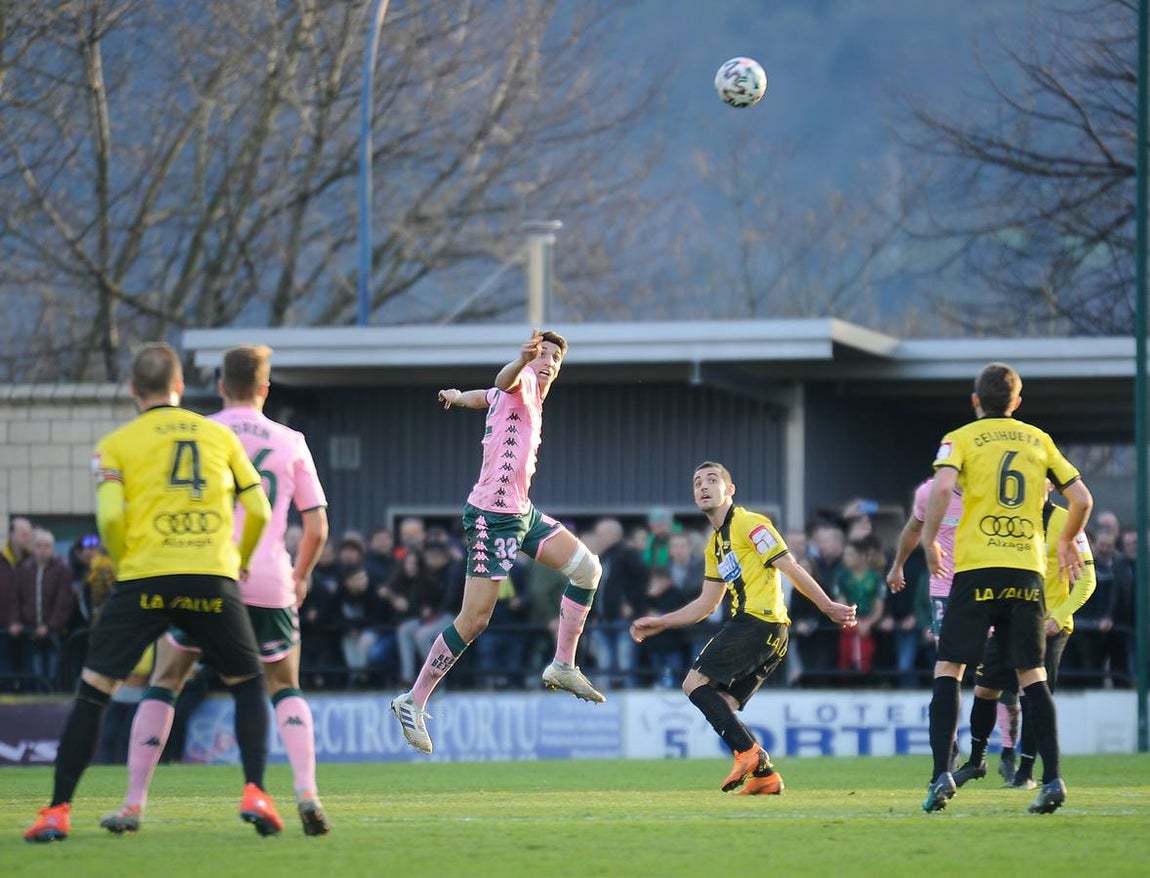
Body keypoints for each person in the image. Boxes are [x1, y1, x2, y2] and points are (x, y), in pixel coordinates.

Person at [23, 342, 274, 844]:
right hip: (210, 575)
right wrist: (239, 560)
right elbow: (260, 510)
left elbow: (109, 517)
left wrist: (125, 563)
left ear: (134, 389)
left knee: (94, 691)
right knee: (248, 683)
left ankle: (58, 811)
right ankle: (255, 793)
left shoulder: (116, 444)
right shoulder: (219, 436)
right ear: (179, 386)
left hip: (145, 579)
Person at [100, 344, 332, 836]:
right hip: (269, 578)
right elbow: (317, 527)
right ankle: (306, 793)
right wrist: (301, 575)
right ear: (265, 388)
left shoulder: (200, 432)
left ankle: (134, 803)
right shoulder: (291, 440)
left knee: (167, 679)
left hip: (207, 570)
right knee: (283, 685)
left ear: (221, 385)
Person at [390, 329, 605, 754]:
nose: (547, 362)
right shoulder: (522, 380)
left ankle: (563, 664)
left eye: (554, 358)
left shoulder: (530, 396)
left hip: (521, 513)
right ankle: (412, 700)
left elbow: (485, 396)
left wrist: (457, 396)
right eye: (542, 354)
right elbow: (504, 381)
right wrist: (521, 361)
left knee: (588, 569)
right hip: (492, 516)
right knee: (474, 620)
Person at [919, 362, 1091, 816]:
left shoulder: (960, 438)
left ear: (976, 400)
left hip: (977, 568)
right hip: (1026, 571)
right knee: (1032, 675)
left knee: (950, 668)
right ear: (1017, 401)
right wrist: (1068, 539)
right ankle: (1052, 779)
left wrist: (929, 539)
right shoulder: (1039, 440)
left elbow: (942, 488)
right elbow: (1082, 499)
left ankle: (941, 775)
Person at [630, 461, 857, 794]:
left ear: (730, 490)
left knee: (693, 683)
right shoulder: (714, 545)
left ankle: (749, 754)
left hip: (757, 622)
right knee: (721, 703)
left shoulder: (751, 523)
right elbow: (707, 604)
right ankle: (765, 776)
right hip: (771, 632)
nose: (703, 486)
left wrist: (826, 606)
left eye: (712, 480)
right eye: (697, 483)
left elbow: (789, 565)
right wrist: (662, 622)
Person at [950, 481, 1096, 791]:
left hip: (1049, 624)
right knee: (984, 688)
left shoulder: (1067, 521)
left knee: (1034, 695)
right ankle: (977, 761)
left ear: (1050, 484)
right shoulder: (1008, 518)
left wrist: (1059, 616)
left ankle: (1026, 771)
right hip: (1010, 620)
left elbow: (1087, 580)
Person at [14, 528, 75, 691]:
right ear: (33, 548)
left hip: (54, 631)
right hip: (30, 629)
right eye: (39, 545)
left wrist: (49, 625)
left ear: (53, 548)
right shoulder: (25, 569)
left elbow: (63, 602)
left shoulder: (62, 568)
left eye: (47, 546)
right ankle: (36, 694)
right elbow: (17, 597)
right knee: (34, 667)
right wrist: (16, 621)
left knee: (52, 667)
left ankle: (51, 694)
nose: (43, 550)